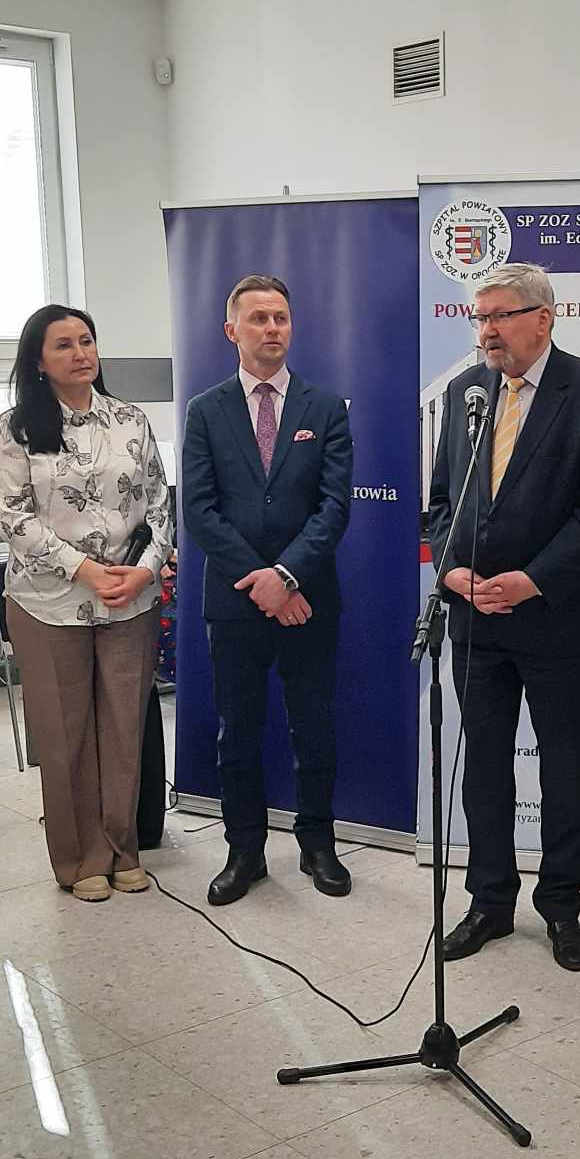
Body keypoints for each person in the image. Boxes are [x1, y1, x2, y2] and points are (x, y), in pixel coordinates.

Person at [425, 263, 580, 973]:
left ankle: (562, 905)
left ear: (542, 318)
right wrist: (450, 571)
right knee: (483, 765)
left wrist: (531, 582)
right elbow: (442, 501)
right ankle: (489, 901)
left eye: (499, 316)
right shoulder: (467, 391)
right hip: (476, 617)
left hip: (558, 616)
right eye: (479, 318)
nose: (487, 331)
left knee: (569, 768)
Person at [0, 305, 172, 902]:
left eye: (86, 340)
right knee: (65, 734)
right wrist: (84, 569)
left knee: (123, 730)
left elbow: (159, 507)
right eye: (63, 344)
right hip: (50, 602)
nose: (80, 353)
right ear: (38, 361)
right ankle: (79, 858)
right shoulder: (17, 427)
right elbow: (9, 515)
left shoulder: (130, 419)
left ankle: (123, 849)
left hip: (129, 600)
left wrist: (143, 570)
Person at [179, 275, 353, 904]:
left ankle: (318, 846)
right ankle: (244, 853)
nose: (272, 328)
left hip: (308, 598)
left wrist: (287, 577)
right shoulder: (205, 410)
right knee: (239, 733)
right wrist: (262, 581)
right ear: (232, 330)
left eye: (280, 317)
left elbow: (333, 508)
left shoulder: (325, 408)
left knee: (314, 728)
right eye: (258, 318)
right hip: (235, 601)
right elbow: (200, 510)